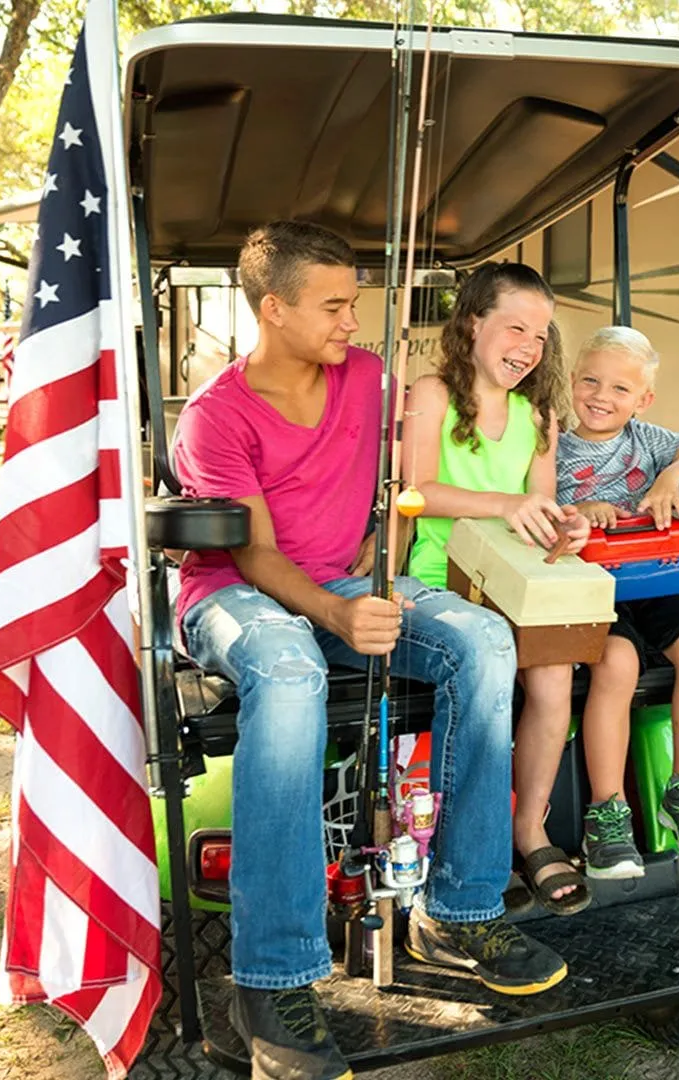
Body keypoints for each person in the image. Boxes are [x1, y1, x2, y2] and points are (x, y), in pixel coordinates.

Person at [171, 223, 567, 1080]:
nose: (356, 320)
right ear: (272, 310)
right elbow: (255, 556)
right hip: (236, 595)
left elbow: (400, 490)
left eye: (357, 300)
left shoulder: (371, 380)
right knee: (289, 666)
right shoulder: (215, 416)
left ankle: (459, 907)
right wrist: (342, 617)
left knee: (484, 640)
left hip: (343, 581)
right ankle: (270, 978)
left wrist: (380, 561)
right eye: (335, 305)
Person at [402, 262, 599, 916]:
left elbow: (537, 509)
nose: (528, 347)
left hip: (514, 582)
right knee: (486, 666)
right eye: (515, 327)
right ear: (472, 323)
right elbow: (418, 492)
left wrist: (561, 529)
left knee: (554, 678)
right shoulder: (431, 393)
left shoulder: (539, 413)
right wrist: (505, 503)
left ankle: (529, 828)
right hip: (442, 579)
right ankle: (456, 844)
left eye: (541, 336)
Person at [558, 324, 679, 860]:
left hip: (651, 577)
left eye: (619, 389)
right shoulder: (553, 446)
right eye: (591, 381)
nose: (601, 397)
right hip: (590, 586)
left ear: (643, 399)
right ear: (572, 381)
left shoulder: (648, 441)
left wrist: (670, 478)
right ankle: (607, 811)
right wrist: (578, 511)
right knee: (618, 662)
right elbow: (536, 502)